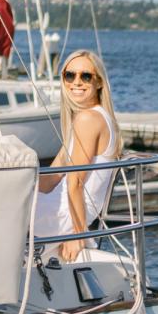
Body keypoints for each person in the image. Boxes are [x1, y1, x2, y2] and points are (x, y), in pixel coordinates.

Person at [35, 49, 119, 262]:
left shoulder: (89, 119)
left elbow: (75, 183)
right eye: (70, 75)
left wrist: (78, 234)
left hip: (64, 214)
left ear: (99, 82)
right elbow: (51, 178)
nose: (77, 82)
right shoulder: (87, 118)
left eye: (86, 76)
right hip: (61, 208)